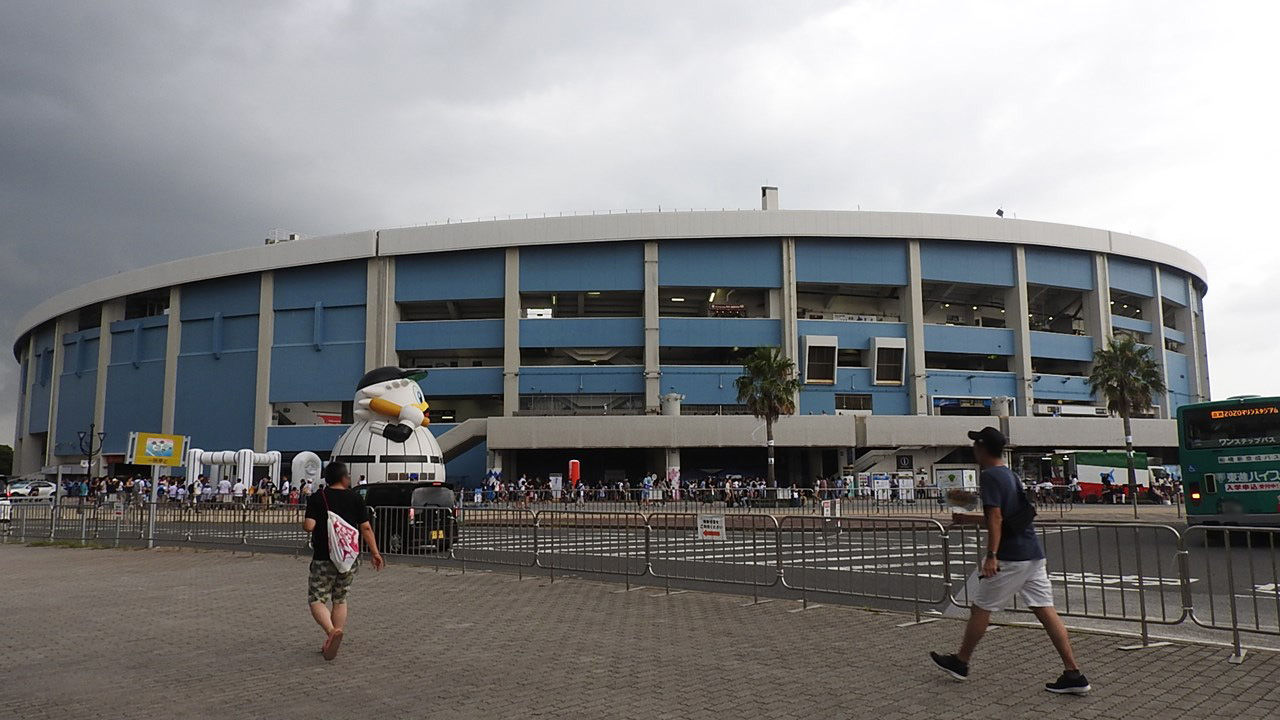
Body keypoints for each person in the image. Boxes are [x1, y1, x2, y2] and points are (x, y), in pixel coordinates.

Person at [930, 426, 1091, 695]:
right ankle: (1073, 673)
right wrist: (968, 519)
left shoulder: (990, 476)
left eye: (975, 444)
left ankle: (961, 662)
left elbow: (996, 518)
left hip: (1010, 556)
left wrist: (991, 556)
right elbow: (1008, 518)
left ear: (982, 448)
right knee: (1046, 611)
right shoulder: (1009, 474)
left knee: (981, 608)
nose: (973, 448)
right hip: (1032, 554)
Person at [302, 462, 385, 661]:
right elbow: (365, 528)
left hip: (324, 557)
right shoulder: (355, 498)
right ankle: (335, 636)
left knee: (317, 599)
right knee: (340, 599)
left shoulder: (318, 497)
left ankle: (332, 632)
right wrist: (375, 553)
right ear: (343, 477)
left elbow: (309, 526)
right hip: (349, 558)